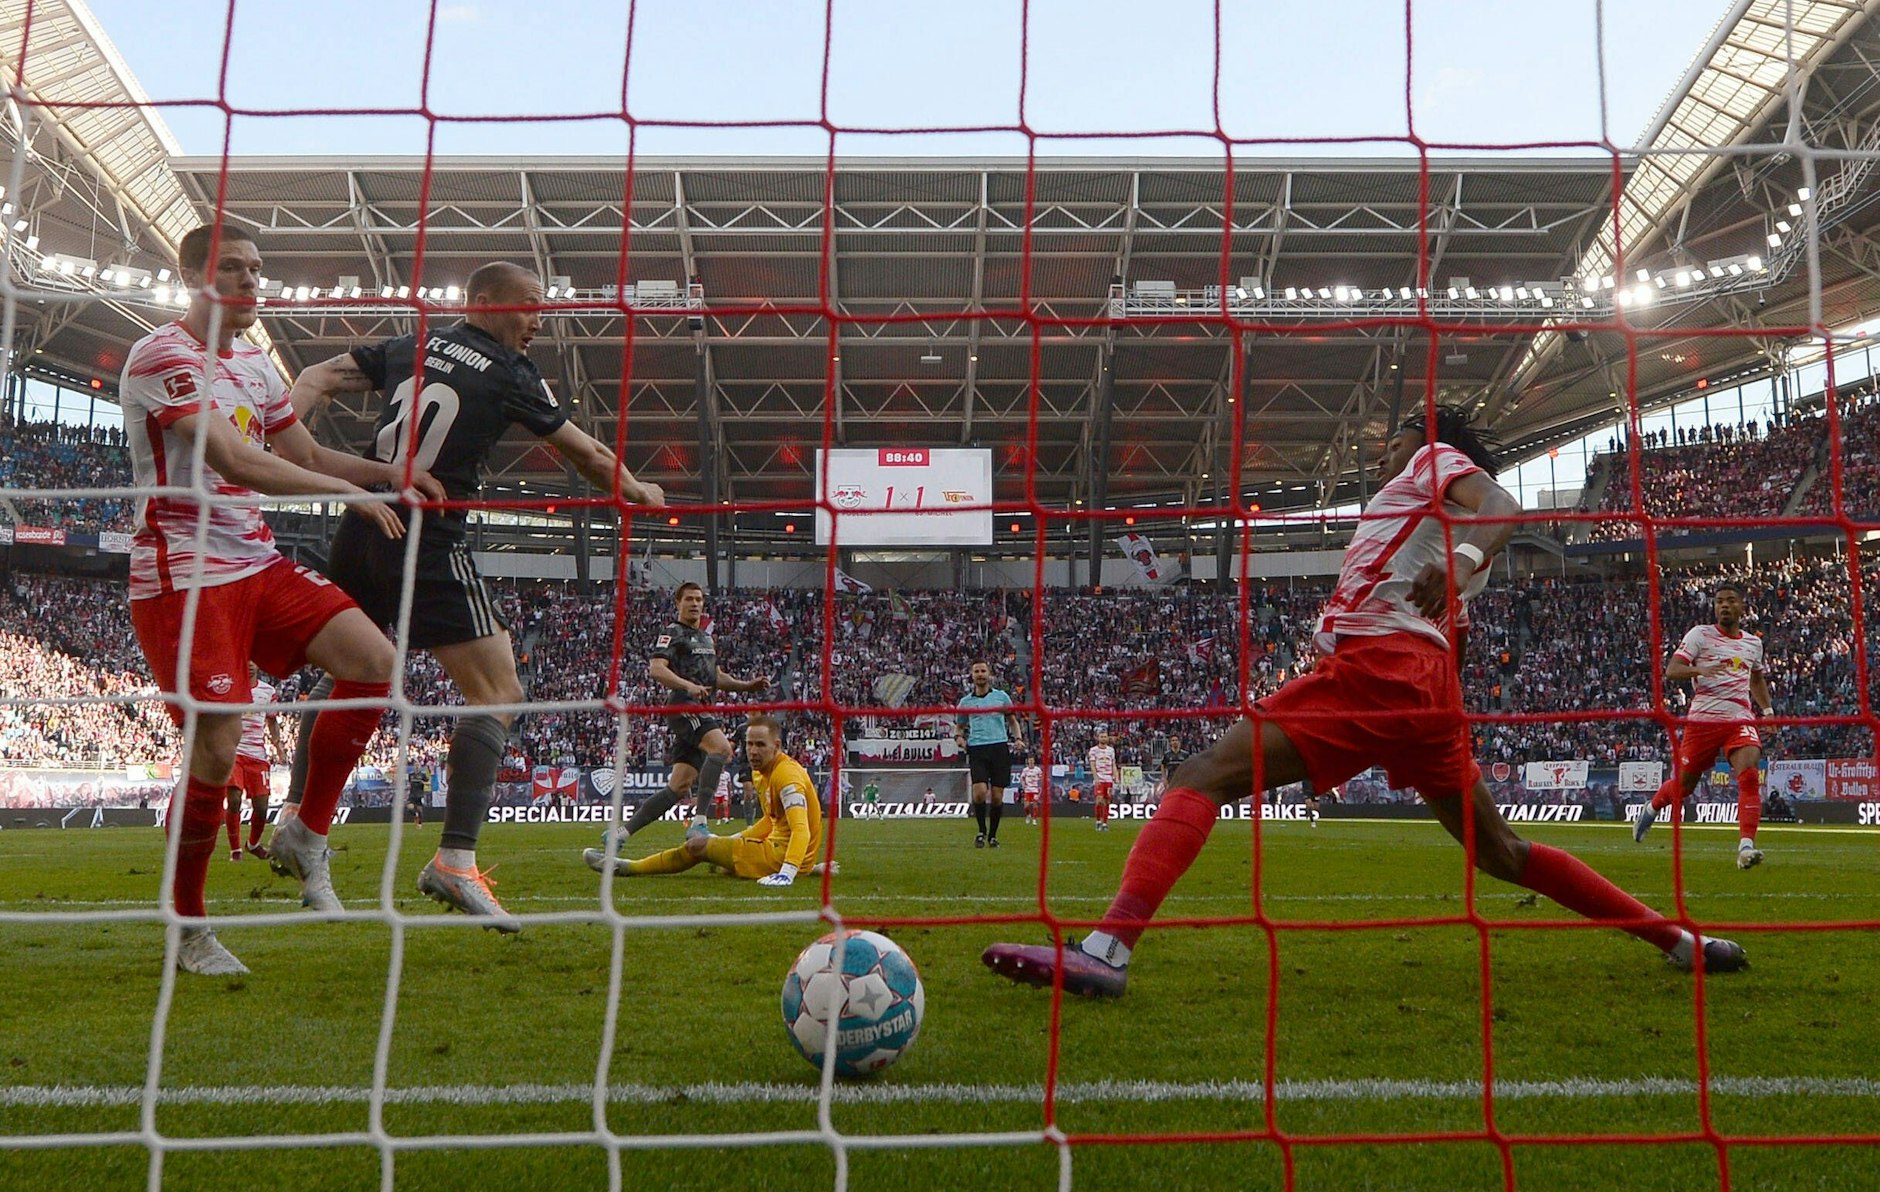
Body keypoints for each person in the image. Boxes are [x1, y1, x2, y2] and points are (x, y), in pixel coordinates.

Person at [982, 405, 1747, 998]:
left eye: (1393, 436)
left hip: (1376, 672)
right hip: (1425, 689)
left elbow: (1505, 506)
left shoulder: (1430, 462)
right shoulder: (1430, 528)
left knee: (1199, 775)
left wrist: (1469, 551)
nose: (1381, 450)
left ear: (1422, 436)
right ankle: (1682, 944)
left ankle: (1107, 950)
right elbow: (1460, 623)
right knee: (1503, 854)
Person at [289, 260, 665, 930]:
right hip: (427, 537)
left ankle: (299, 818)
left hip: (363, 521)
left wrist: (280, 432)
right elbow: (586, 454)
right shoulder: (508, 370)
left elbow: (318, 376)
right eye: (528, 305)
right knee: (498, 692)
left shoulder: (412, 344)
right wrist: (639, 492)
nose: (537, 319)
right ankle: (455, 861)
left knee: (350, 670)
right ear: (486, 303)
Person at [122, 224, 427, 975]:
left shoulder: (256, 364)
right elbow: (234, 458)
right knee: (218, 749)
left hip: (256, 563)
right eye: (234, 269)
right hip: (185, 579)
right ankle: (188, 928)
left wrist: (394, 474)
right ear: (193, 276)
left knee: (375, 662)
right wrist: (348, 496)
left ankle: (305, 833)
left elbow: (308, 454)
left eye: (258, 270)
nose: (254, 282)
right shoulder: (161, 354)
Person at [583, 583, 768, 873]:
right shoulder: (673, 632)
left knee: (677, 787)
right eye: (689, 599)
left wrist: (747, 686)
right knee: (721, 748)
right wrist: (688, 686)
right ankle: (699, 824)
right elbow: (657, 669)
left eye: (699, 599)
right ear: (678, 603)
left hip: (700, 708)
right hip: (683, 705)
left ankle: (618, 835)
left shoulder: (706, 638)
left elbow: (715, 676)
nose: (695, 604)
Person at [1633, 584, 1774, 869]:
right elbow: (1672, 670)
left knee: (1748, 776)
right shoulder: (1700, 634)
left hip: (1739, 717)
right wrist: (1699, 670)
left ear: (1741, 607)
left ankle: (1746, 847)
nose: (1724, 605)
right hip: (1703, 721)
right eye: (1719, 601)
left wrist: (1768, 710)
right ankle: (1651, 809)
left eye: (1730, 601)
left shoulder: (1752, 644)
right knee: (1684, 787)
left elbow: (1756, 679)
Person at [587, 715, 821, 886]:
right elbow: (772, 821)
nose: (753, 751)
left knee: (696, 846)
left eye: (760, 745)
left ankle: (626, 867)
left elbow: (801, 829)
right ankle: (801, 866)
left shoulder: (787, 775)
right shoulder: (762, 773)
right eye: (749, 744)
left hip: (778, 858)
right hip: (781, 853)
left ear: (777, 746)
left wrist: (788, 871)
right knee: (717, 860)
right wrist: (732, 838)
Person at [954, 660, 1023, 848]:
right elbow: (959, 727)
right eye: (976, 671)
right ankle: (981, 831)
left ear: (989, 674)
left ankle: (992, 836)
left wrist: (1018, 738)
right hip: (977, 748)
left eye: (983, 670)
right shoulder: (965, 702)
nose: (980, 674)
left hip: (999, 747)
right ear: (972, 675)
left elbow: (1012, 720)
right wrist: (959, 739)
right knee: (979, 793)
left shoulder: (1001, 697)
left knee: (998, 796)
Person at [226, 663, 284, 861]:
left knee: (262, 807)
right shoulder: (231, 688)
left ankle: (253, 844)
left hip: (257, 756)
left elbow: (272, 721)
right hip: (234, 752)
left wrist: (278, 746)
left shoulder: (267, 692)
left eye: (253, 662)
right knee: (234, 800)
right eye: (246, 661)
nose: (249, 666)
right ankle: (235, 851)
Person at [1088, 731, 1118, 832]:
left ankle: (1105, 823)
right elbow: (1092, 764)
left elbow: (1113, 764)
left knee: (1107, 801)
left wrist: (1116, 776)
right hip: (1099, 778)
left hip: (1109, 779)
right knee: (1099, 800)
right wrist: (1095, 777)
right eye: (1102, 737)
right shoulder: (1093, 750)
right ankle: (1097, 821)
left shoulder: (1111, 750)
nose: (1104, 738)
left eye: (1105, 737)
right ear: (1098, 738)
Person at [1019, 757, 1044, 826]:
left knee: (1035, 805)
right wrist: (1023, 784)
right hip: (1027, 789)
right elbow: (1022, 778)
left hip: (1035, 789)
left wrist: (1040, 785)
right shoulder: (1025, 770)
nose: (1031, 762)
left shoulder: (1037, 769)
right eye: (1029, 760)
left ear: (1034, 761)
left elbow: (1041, 778)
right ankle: (1028, 815)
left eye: (1032, 760)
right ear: (1028, 761)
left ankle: (1034, 819)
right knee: (1026, 806)